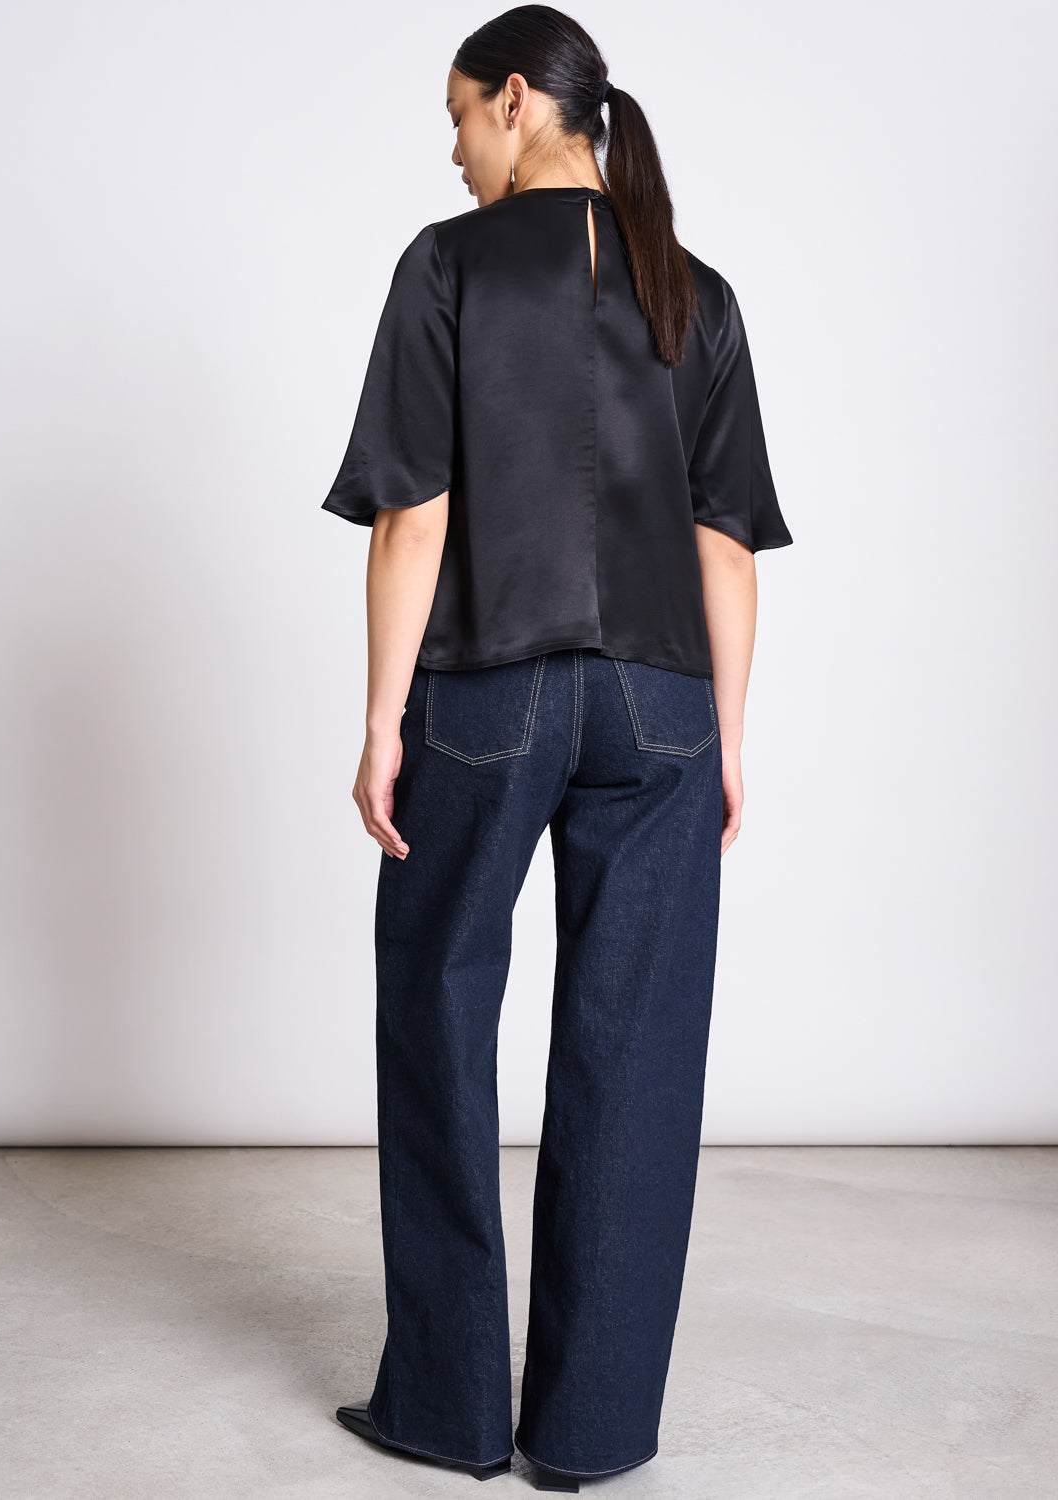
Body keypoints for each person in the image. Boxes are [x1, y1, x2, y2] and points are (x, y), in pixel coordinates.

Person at [321, 7, 793, 1492]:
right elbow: (727, 547)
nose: (456, 151)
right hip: (664, 705)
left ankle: (449, 1408)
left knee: (438, 1010)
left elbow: (415, 516)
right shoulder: (694, 292)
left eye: (461, 117)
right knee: (639, 1052)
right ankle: (589, 1431)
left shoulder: (448, 266)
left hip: (487, 693)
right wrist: (726, 733)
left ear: (518, 101)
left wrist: (382, 719)